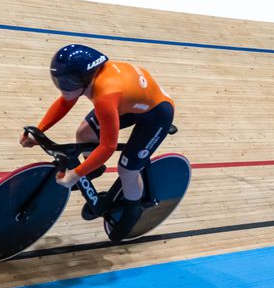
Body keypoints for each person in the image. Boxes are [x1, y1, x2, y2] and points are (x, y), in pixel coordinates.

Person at [20, 44, 176, 241]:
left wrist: (75, 174)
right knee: (84, 133)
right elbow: (66, 101)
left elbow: (108, 146)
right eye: (59, 80)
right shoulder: (87, 79)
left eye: (68, 81)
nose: (63, 86)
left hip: (156, 113)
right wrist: (39, 130)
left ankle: (133, 210)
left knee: (127, 170)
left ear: (86, 77)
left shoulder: (105, 95)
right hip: (131, 101)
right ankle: (93, 170)